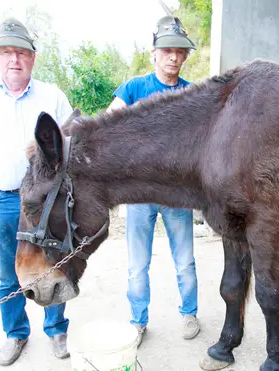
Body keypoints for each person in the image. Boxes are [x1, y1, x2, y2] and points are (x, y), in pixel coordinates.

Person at [0, 17, 74, 366]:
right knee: (9, 272)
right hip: (2, 199)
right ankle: (16, 333)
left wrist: (54, 145)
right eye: (6, 52)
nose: (14, 59)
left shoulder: (52, 95)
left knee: (53, 262)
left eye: (21, 52)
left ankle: (56, 329)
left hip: (47, 201)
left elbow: (74, 137)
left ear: (33, 58)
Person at [106, 15, 200, 347]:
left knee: (185, 260)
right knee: (136, 265)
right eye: (166, 50)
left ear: (185, 55)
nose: (173, 57)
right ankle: (138, 320)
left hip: (177, 194)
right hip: (140, 192)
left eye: (179, 51)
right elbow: (108, 124)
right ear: (154, 53)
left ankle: (189, 313)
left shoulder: (192, 94)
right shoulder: (134, 88)